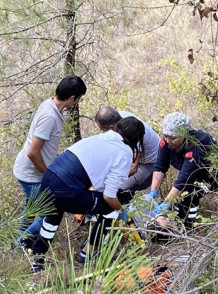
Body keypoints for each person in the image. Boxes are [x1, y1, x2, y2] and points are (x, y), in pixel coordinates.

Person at [26, 117, 146, 273]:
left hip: (49, 179)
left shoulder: (101, 138)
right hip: (66, 190)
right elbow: (109, 197)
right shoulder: (124, 152)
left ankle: (37, 260)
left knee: (52, 220)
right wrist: (121, 210)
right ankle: (88, 253)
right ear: (137, 138)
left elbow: (99, 181)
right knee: (110, 210)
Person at [13, 75, 86, 246]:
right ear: (71, 97)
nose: (77, 102)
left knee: (31, 209)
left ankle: (15, 241)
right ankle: (19, 245)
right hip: (31, 174)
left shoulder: (51, 106)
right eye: (78, 99)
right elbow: (33, 151)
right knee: (51, 213)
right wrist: (47, 175)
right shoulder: (50, 117)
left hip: (28, 170)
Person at [148, 112, 218, 230]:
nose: (167, 140)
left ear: (185, 134)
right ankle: (175, 218)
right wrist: (153, 191)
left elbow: (184, 180)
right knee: (178, 196)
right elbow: (160, 166)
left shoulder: (198, 144)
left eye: (172, 138)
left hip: (216, 176)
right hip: (195, 171)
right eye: (165, 136)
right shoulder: (167, 140)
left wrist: (167, 202)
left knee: (187, 194)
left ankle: (186, 226)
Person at [94, 106, 161, 194]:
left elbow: (133, 168)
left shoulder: (133, 133)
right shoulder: (120, 117)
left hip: (150, 163)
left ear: (111, 127)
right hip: (135, 157)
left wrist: (109, 181)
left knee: (117, 190)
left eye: (103, 130)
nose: (103, 133)